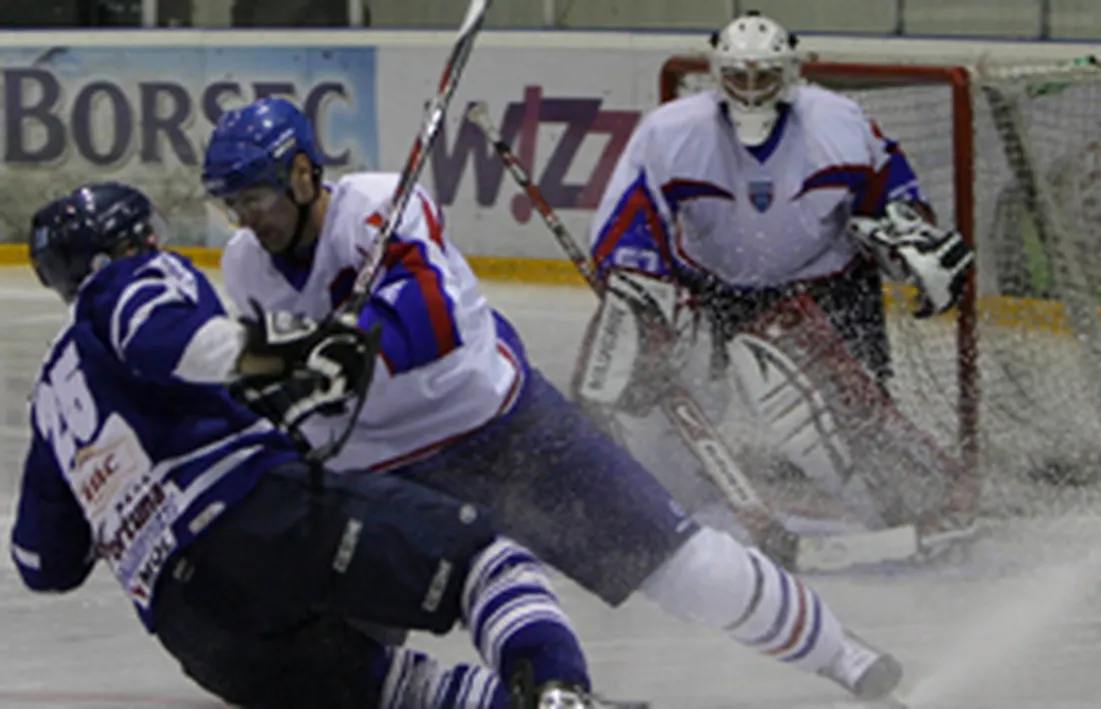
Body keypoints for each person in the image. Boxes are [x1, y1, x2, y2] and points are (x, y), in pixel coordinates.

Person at [202, 96, 904, 703]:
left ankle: (843, 653)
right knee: (329, 646)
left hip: (505, 430)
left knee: (680, 563)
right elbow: (279, 384)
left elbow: (432, 321)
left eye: (255, 198)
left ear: (301, 175)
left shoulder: (381, 208)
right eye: (232, 203)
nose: (246, 217)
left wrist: (329, 350)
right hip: (380, 473)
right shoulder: (243, 262)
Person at [10, 181, 613, 709]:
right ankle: (562, 694)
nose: (154, 246)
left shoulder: (49, 396)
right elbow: (164, 340)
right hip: (259, 519)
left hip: (194, 631)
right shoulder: (128, 280)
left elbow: (44, 564)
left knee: (400, 689)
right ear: (122, 248)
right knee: (487, 559)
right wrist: (296, 356)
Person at [574, 10, 978, 553]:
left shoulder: (838, 121)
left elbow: (892, 190)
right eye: (738, 77)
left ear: (790, 73)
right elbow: (624, 215)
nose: (751, 90)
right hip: (710, 288)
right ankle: (663, 505)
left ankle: (917, 510)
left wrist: (909, 233)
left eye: (764, 76)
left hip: (825, 286)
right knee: (650, 391)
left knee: (849, 423)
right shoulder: (673, 131)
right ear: (717, 74)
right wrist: (638, 285)